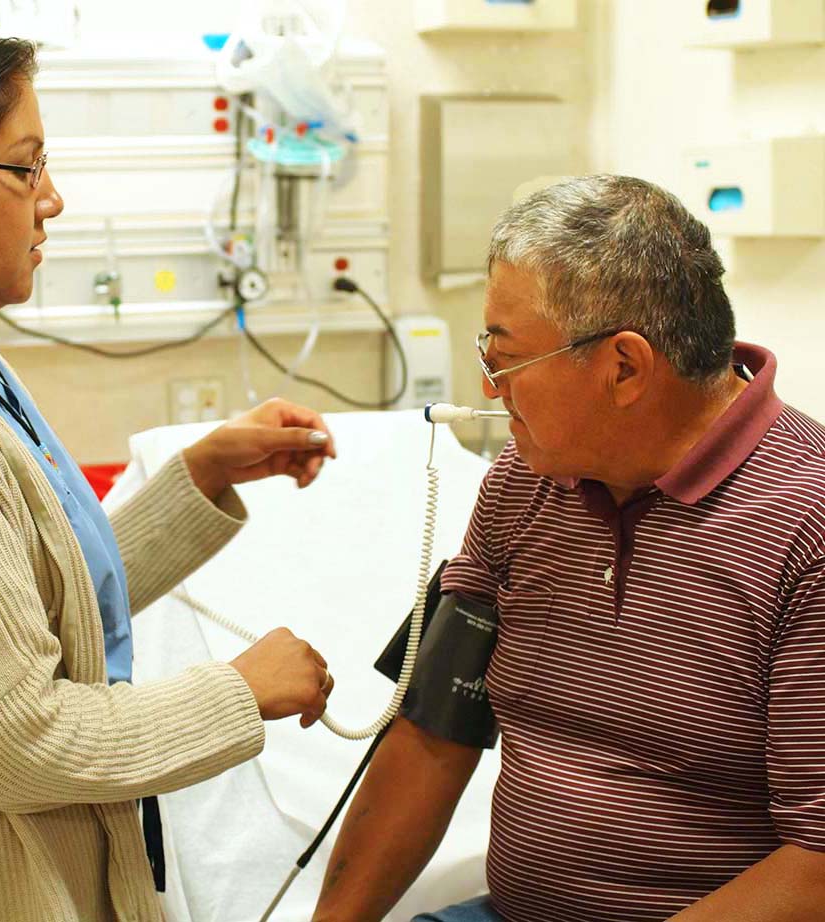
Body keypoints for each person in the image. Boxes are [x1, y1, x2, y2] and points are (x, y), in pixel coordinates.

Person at [0, 16, 339, 922]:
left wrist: (203, 476)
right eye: (23, 167)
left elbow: (34, 600)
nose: (50, 198)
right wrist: (239, 694)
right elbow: (17, 737)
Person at [312, 175, 825, 922]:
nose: (489, 390)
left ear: (624, 367)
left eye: (506, 359)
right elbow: (435, 734)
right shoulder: (525, 486)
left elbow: (818, 864)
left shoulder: (806, 530)